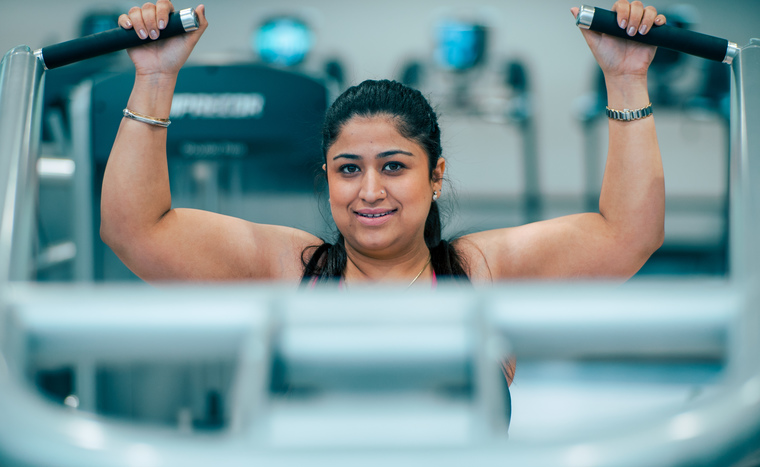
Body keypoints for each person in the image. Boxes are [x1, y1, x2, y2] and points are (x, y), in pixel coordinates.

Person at [101, 0, 666, 289]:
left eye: (394, 165)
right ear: (326, 176)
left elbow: (629, 234)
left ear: (435, 175)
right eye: (348, 169)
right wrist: (154, 79)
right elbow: (135, 230)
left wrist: (625, 79)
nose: (370, 191)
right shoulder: (290, 270)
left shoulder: (482, 274)